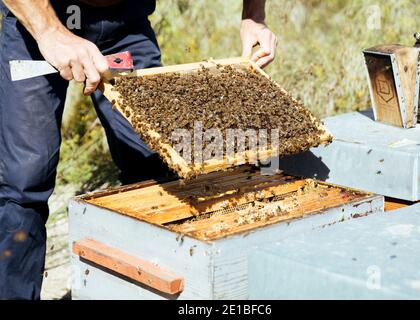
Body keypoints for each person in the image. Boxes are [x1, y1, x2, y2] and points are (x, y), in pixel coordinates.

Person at [0, 0, 277, 300]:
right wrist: (50, 32)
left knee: (154, 167)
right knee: (24, 181)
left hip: (125, 25)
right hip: (37, 18)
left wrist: (254, 17)